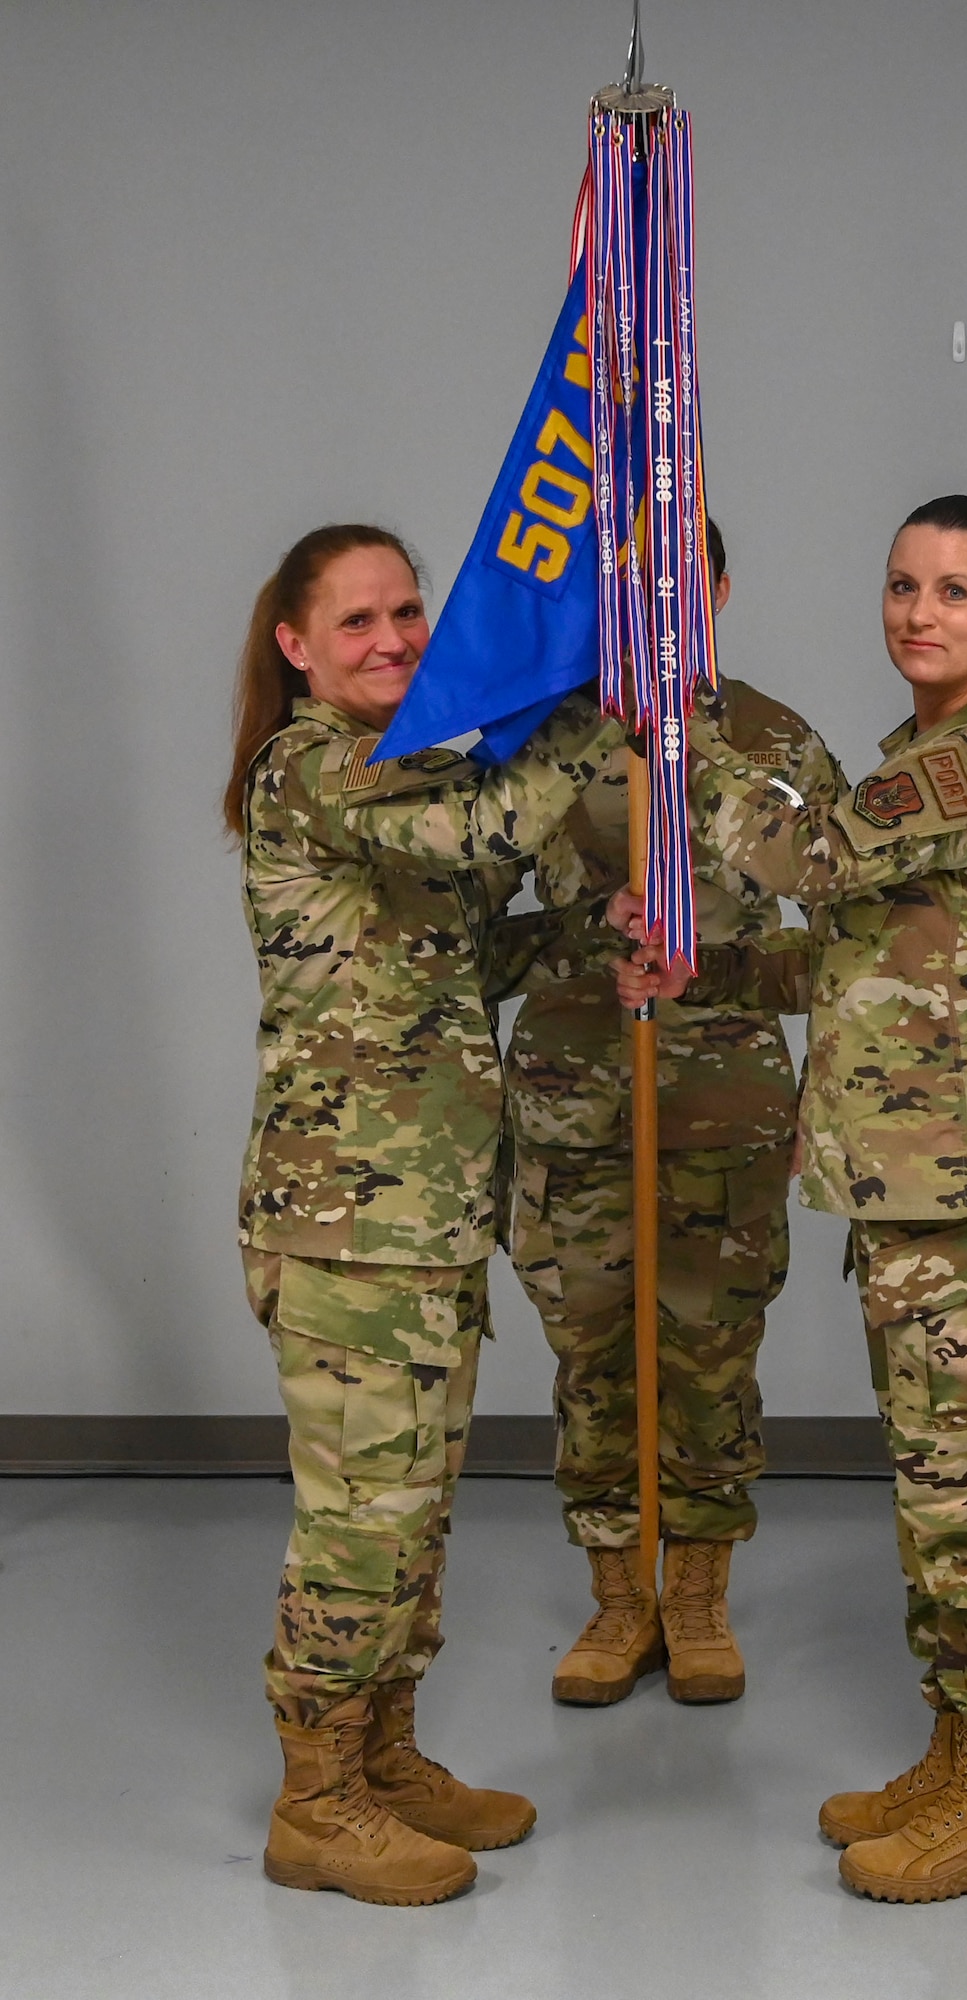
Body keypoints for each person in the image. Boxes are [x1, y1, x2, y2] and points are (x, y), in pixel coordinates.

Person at [626, 495, 967, 1901]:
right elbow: (867, 959)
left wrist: (676, 728)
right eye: (901, 585)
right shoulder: (926, 759)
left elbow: (810, 861)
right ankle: (956, 1758)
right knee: (934, 1491)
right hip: (916, 1174)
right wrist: (699, 977)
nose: (918, 613)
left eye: (954, 591)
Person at [225, 522, 623, 1906]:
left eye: (408, 614)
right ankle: (314, 1803)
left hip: (428, 1215)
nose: (392, 641)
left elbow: (451, 945)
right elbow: (473, 830)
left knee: (414, 1518)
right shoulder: (313, 766)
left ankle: (385, 1758)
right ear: (294, 646)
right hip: (346, 1225)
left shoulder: (388, 773)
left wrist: (591, 936)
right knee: (360, 1526)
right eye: (357, 624)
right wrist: (583, 715)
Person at [496, 520, 842, 1707]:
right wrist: (590, 936)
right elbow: (459, 935)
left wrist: (734, 976)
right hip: (571, 1101)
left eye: (679, 584)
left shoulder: (776, 742)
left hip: (722, 1106)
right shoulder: (543, 739)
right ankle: (616, 1597)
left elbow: (850, 946)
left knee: (706, 1360)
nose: (652, 607)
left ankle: (694, 1592)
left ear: (722, 591)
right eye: (630, 586)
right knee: (590, 1354)